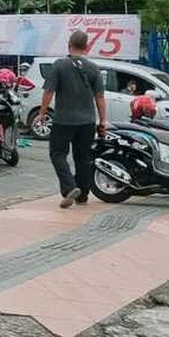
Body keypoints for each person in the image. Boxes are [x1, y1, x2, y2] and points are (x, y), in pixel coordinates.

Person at [34, 30, 108, 208]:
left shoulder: (60, 65)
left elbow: (49, 91)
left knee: (57, 153)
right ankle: (82, 196)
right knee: (83, 157)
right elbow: (99, 97)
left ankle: (69, 187)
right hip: (87, 121)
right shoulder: (93, 68)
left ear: (69, 45)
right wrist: (103, 121)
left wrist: (42, 113)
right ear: (87, 46)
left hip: (63, 120)